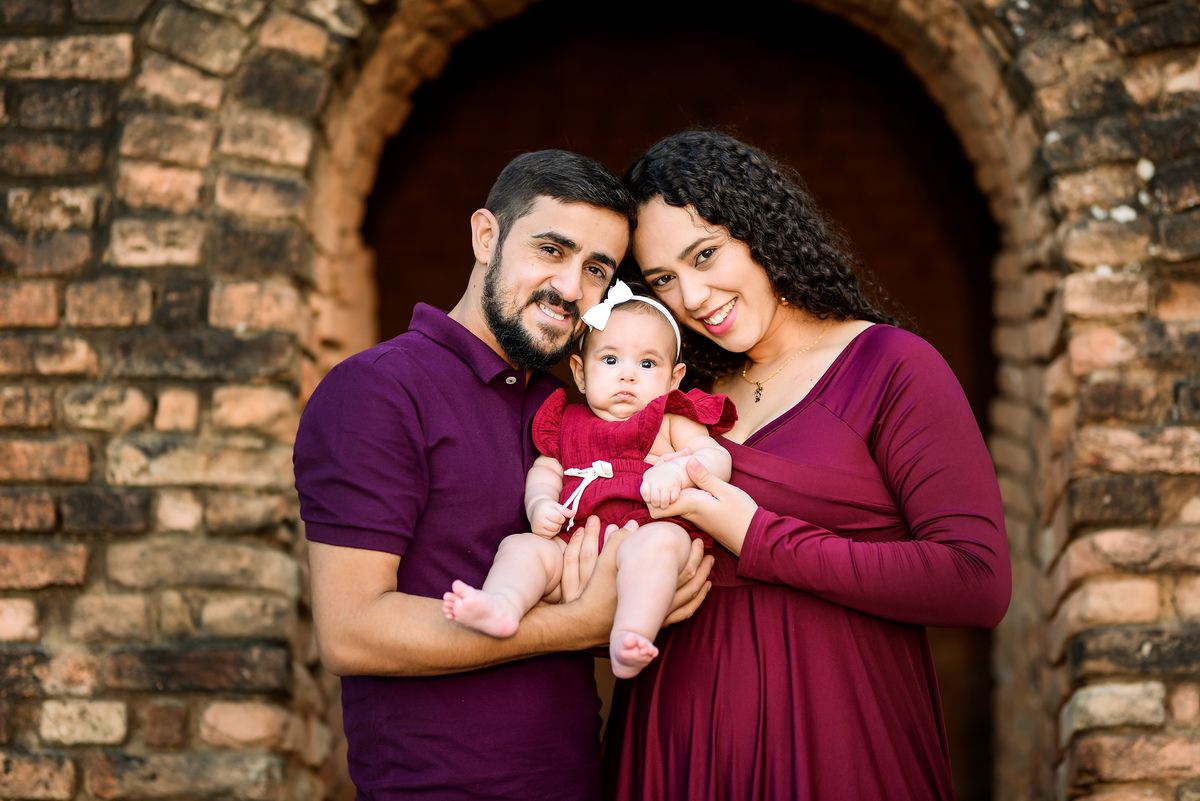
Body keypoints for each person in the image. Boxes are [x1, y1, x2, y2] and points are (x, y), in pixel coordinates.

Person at [601, 131, 1012, 800]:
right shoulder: (677, 400)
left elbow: (976, 580)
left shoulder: (891, 367)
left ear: (759, 231)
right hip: (676, 743)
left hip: (841, 744)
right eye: (663, 281)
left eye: (706, 255)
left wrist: (759, 535)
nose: (695, 296)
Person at [293, 150, 713, 801]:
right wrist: (576, 622)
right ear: (485, 235)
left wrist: (646, 595)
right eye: (552, 249)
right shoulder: (378, 389)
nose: (572, 288)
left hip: (575, 779)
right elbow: (351, 631)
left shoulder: (564, 405)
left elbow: (589, 596)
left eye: (595, 269)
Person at [443, 281, 736, 678]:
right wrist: (540, 504)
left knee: (661, 543)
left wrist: (677, 469)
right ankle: (502, 604)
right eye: (611, 360)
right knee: (521, 547)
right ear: (580, 373)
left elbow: (715, 458)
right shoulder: (564, 422)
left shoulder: (669, 421)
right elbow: (545, 471)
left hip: (645, 532)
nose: (628, 376)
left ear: (673, 378)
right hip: (573, 549)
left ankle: (631, 633)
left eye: (647, 364)